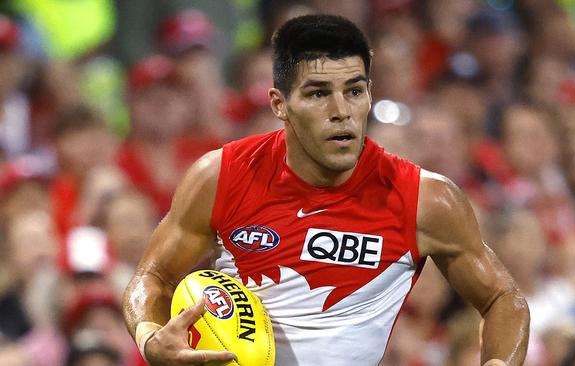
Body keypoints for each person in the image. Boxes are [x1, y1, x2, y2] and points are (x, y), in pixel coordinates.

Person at [122, 15, 529, 366]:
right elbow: (153, 277)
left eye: (354, 90)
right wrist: (150, 338)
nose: (341, 111)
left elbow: (503, 301)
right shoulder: (221, 175)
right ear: (279, 104)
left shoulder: (426, 199)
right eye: (318, 94)